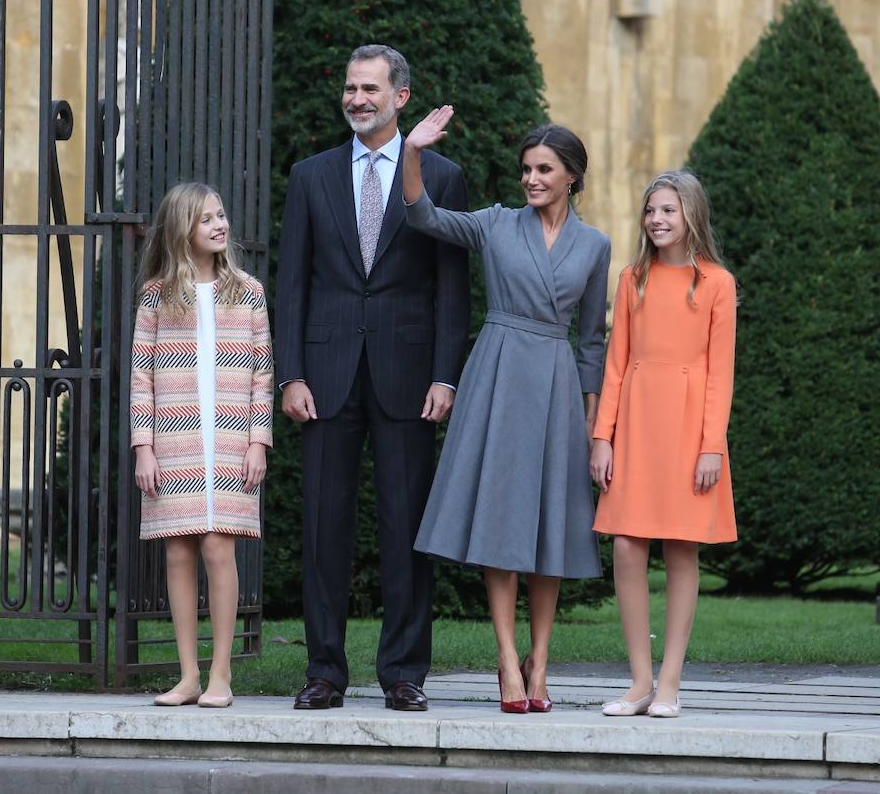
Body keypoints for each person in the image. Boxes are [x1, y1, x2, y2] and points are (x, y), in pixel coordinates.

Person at [275, 45, 470, 712]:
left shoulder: (442, 177)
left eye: (370, 89)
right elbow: (292, 283)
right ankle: (324, 671)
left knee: (406, 527)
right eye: (351, 87)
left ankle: (404, 672)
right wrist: (290, 373)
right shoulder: (310, 176)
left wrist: (446, 375)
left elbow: (452, 288)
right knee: (323, 529)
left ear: (400, 98)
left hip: (409, 375)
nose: (357, 98)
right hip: (325, 375)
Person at [402, 107, 611, 714]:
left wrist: (594, 419)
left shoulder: (595, 245)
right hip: (497, 375)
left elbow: (592, 340)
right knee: (501, 521)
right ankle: (505, 656)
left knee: (550, 524)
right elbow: (423, 215)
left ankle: (539, 661)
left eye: (544, 169)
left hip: (556, 386)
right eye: (526, 169)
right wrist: (412, 152)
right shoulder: (495, 223)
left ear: (571, 176)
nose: (531, 179)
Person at [590, 170, 737, 719]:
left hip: (689, 427)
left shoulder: (717, 283)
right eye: (651, 210)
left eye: (669, 210)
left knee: (680, 546)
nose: (657, 219)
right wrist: (602, 437)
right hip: (636, 422)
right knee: (627, 546)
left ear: (691, 214)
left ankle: (670, 682)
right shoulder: (633, 279)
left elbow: (720, 372)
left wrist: (711, 446)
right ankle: (638, 682)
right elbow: (616, 364)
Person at [130, 182, 274, 709]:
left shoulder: (248, 292)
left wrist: (258, 441)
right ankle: (188, 674)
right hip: (176, 440)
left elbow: (262, 373)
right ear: (181, 230)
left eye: (221, 215)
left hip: (232, 440)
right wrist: (143, 447)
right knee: (178, 550)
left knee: (218, 546)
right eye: (206, 219)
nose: (220, 225)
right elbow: (141, 376)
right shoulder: (157, 296)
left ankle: (221, 673)